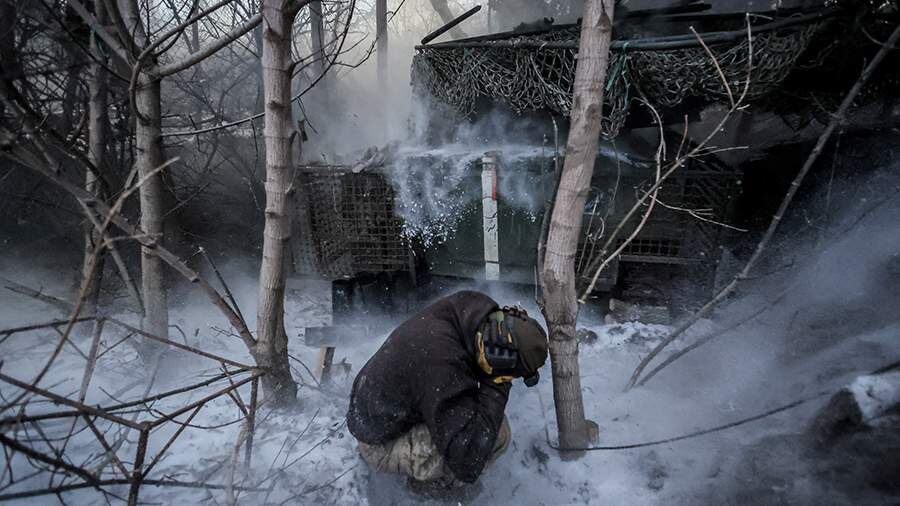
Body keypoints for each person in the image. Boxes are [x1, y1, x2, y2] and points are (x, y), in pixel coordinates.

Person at [346, 290, 549, 494]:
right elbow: (468, 461)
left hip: (386, 408)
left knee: (482, 418)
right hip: (379, 443)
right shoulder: (442, 364)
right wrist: (497, 383)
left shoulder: (476, 311)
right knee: (494, 435)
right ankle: (432, 488)